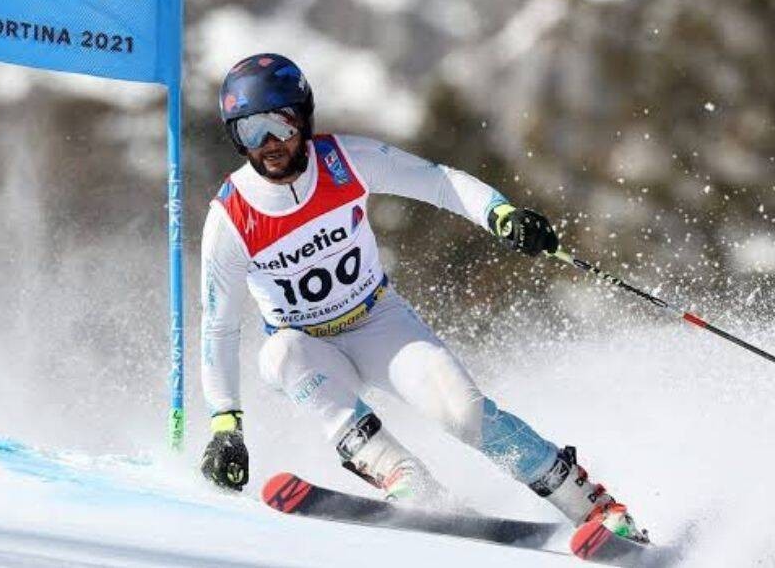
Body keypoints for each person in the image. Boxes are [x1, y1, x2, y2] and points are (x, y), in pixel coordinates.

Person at [198, 53, 642, 538]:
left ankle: (592, 507)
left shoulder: (344, 161)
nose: (268, 145)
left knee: (467, 415)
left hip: (377, 322)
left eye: (277, 125)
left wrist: (500, 215)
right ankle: (404, 477)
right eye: (250, 131)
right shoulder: (230, 218)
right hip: (307, 346)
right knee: (279, 354)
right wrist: (225, 426)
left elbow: (438, 181)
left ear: (302, 120)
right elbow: (219, 326)